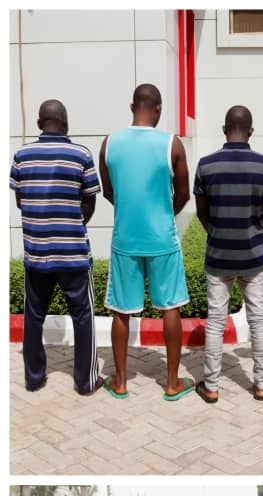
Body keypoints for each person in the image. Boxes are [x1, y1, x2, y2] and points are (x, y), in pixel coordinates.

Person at [98, 83, 194, 400]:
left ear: (131, 106)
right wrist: (165, 213)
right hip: (162, 238)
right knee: (171, 307)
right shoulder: (172, 144)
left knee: (121, 310)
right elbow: (183, 194)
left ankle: (122, 381)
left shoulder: (109, 144)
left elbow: (111, 193)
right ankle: (171, 383)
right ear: (158, 109)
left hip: (125, 238)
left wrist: (130, 210)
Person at [9, 100, 102, 395]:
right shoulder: (80, 154)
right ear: (66, 123)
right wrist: (73, 223)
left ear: (39, 124)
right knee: (83, 315)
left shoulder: (21, 155)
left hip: (36, 252)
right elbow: (89, 201)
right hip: (73, 253)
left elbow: (20, 201)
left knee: (33, 315)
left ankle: (34, 379)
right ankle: (85, 381)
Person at [193, 105, 263, 402]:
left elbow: (203, 214)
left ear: (224, 129)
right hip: (254, 256)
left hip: (218, 256)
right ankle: (261, 384)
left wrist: (218, 235)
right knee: (257, 320)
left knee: (216, 321)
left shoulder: (205, 165)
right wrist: (253, 234)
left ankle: (212, 386)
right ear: (251, 131)